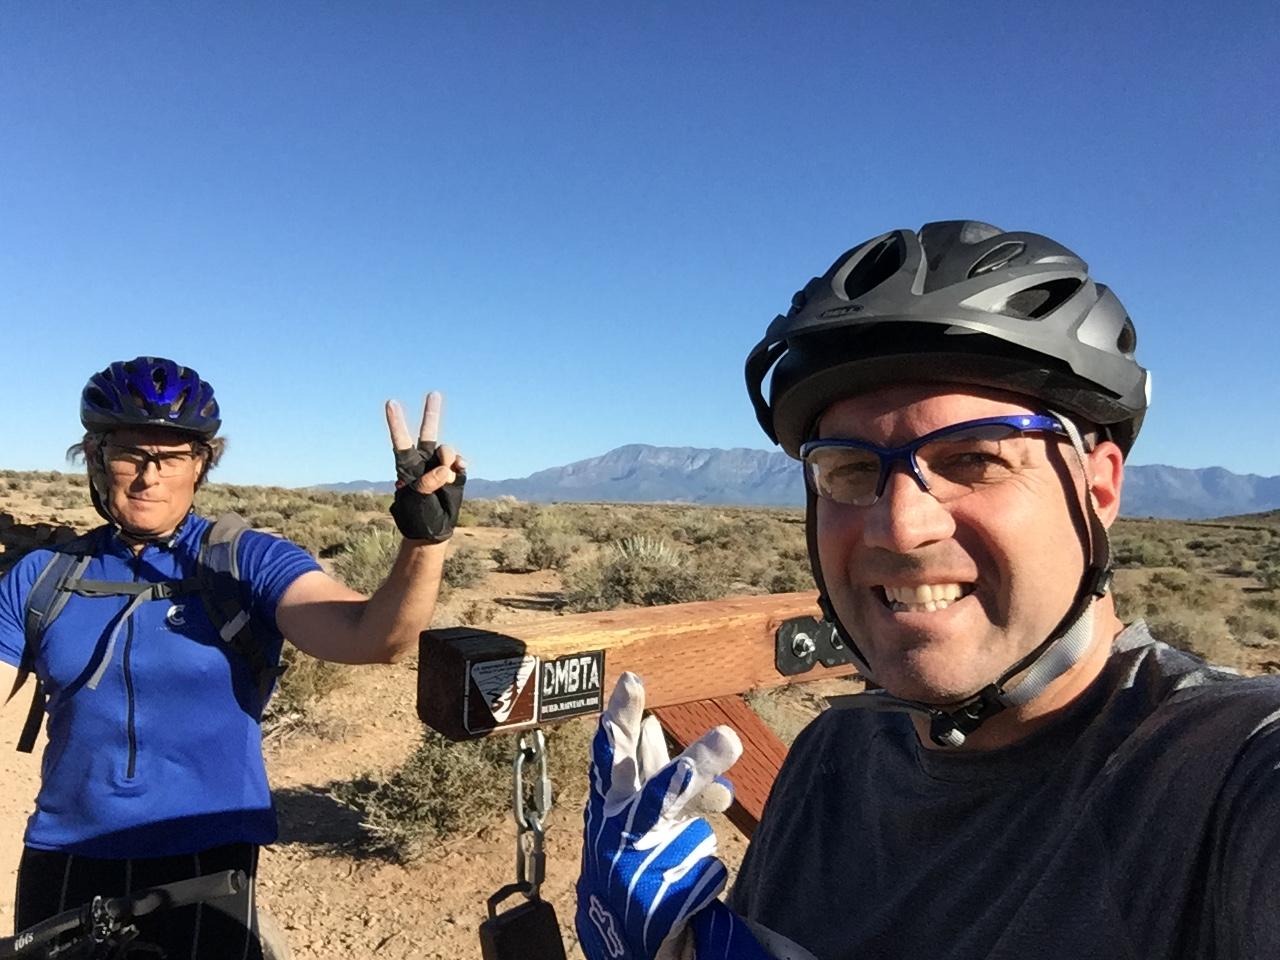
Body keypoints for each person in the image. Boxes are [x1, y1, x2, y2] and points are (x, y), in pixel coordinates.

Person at [575, 221, 1280, 959]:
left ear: (1098, 488)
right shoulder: (831, 758)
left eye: (973, 460)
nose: (899, 527)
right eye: (849, 469)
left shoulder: (1222, 777)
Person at [0, 356, 466, 958]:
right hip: (65, 853)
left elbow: (374, 637)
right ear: (94, 457)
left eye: (171, 458)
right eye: (129, 454)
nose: (149, 477)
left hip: (205, 859)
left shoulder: (244, 562)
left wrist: (423, 541)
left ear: (201, 466)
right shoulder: (43, 577)